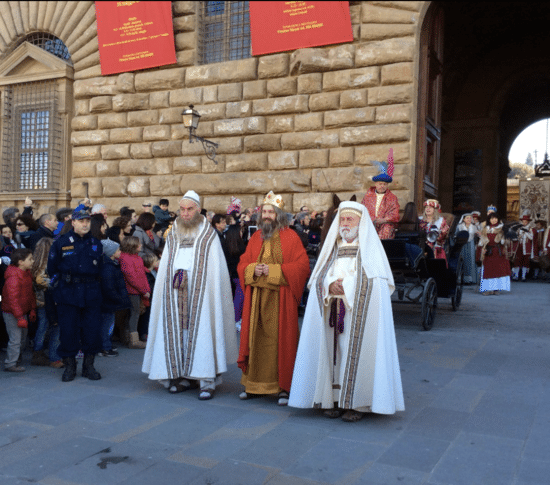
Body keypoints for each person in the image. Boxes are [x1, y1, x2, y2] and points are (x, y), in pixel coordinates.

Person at [288, 201, 404, 421]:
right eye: (342, 219)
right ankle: (331, 399)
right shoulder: (333, 248)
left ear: (361, 223)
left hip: (358, 314)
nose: (345, 223)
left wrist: (347, 287)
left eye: (350, 219)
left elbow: (376, 283)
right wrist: (330, 284)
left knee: (354, 352)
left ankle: (356, 404)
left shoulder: (370, 250)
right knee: (334, 355)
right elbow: (319, 276)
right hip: (331, 309)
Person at [142, 190, 238, 400]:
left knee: (203, 332)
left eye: (189, 209)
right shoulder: (174, 232)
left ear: (198, 210)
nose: (185, 214)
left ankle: (206, 380)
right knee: (179, 333)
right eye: (182, 210)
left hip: (202, 296)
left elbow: (216, 270)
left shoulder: (208, 234)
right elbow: (167, 262)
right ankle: (183, 375)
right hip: (176, 294)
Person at [237, 191, 310, 406]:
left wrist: (274, 271)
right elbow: (242, 264)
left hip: (280, 300)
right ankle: (253, 386)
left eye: (271, 212)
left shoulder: (291, 237)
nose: (267, 216)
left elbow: (302, 266)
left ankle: (283, 388)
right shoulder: (255, 237)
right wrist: (253, 269)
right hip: (257, 300)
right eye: (264, 212)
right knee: (255, 341)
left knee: (281, 343)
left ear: (279, 215)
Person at [47, 208, 104, 381]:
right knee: (68, 330)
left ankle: (89, 366)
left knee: (92, 330)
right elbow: (52, 268)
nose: (85, 224)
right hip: (69, 292)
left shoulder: (96, 243)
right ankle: (70, 366)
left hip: (90, 292)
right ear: (73, 223)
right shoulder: (61, 243)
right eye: (81, 221)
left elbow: (100, 269)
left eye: (87, 221)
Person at [2, 248, 36, 372]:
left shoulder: (26, 273)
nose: (33, 261)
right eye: (30, 259)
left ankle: (16, 358)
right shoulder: (14, 277)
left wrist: (31, 309)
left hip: (22, 312)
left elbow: (30, 293)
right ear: (21, 262)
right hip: (13, 313)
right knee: (16, 338)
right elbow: (12, 300)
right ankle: (10, 363)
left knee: (22, 337)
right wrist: (20, 317)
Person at [31, 238, 62, 368]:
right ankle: (50, 356)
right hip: (47, 303)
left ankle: (40, 352)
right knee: (52, 328)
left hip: (43, 303)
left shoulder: (36, 265)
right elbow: (51, 285)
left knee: (44, 327)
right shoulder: (44, 269)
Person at [99, 239, 130, 357]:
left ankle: (106, 345)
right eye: (118, 250)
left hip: (109, 301)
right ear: (110, 252)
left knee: (108, 323)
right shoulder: (108, 267)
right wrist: (118, 298)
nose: (120, 251)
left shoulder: (111, 264)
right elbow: (108, 287)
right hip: (108, 301)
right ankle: (105, 347)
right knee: (106, 324)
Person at [361, 148, 400, 239]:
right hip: (370, 223)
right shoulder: (368, 196)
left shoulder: (392, 198)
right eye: (380, 184)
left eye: (384, 184)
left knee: (386, 230)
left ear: (387, 185)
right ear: (376, 184)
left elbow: (395, 214)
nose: (382, 186)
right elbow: (362, 210)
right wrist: (373, 220)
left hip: (385, 225)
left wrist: (383, 220)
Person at [119, 236, 150, 350]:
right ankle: (133, 340)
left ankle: (127, 338)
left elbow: (141, 275)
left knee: (134, 313)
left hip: (138, 290)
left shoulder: (136, 258)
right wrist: (144, 290)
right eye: (139, 244)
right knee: (134, 314)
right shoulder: (126, 258)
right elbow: (132, 277)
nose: (141, 245)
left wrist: (146, 290)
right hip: (132, 291)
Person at [477, 212, 511, 295]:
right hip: (488, 252)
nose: (494, 220)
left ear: (498, 219)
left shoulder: (501, 228)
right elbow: (482, 241)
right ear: (489, 220)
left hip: (498, 252)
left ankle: (496, 289)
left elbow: (505, 242)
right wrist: (482, 246)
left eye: (495, 218)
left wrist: (505, 236)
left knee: (498, 271)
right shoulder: (485, 228)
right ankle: (488, 289)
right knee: (488, 271)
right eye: (492, 218)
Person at [511, 212, 537, 281]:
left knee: (525, 262)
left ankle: (523, 276)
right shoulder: (518, 228)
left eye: (526, 221)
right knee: (517, 261)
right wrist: (518, 237)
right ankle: (516, 276)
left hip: (527, 247)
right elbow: (514, 238)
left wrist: (526, 232)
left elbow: (531, 238)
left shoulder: (530, 229)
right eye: (523, 221)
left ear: (528, 222)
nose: (524, 222)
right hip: (519, 246)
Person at [456, 213, 478, 284]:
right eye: (467, 218)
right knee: (462, 260)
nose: (469, 219)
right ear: (463, 219)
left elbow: (477, 237)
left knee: (471, 261)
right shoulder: (459, 227)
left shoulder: (474, 227)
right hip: (462, 245)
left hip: (471, 245)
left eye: (470, 218)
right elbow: (455, 236)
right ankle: (461, 279)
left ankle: (470, 279)